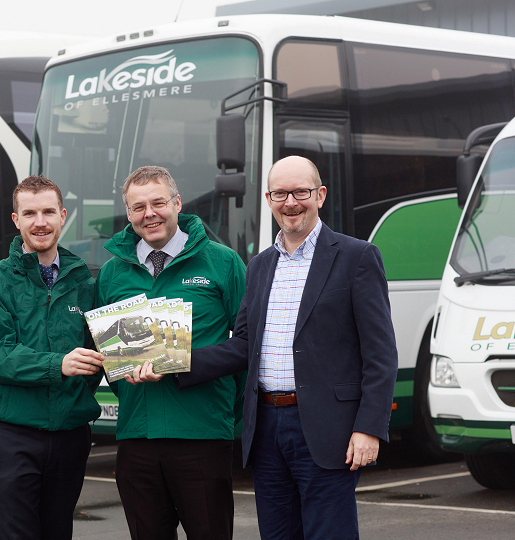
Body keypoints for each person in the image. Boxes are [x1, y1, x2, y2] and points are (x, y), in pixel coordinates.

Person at [176, 155, 398, 539]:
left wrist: (369, 427)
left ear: (320, 195)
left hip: (330, 429)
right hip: (266, 427)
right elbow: (244, 344)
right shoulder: (260, 265)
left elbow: (380, 354)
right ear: (268, 198)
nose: (291, 202)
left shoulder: (357, 257)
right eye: (281, 193)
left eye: (301, 192)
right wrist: (175, 363)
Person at [95, 165, 247, 540]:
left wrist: (218, 403)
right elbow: (108, 352)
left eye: (159, 203)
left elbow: (247, 347)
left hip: (202, 434)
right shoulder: (111, 274)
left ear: (177, 203)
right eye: (138, 207)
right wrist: (129, 377)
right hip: (137, 437)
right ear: (128, 214)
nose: (150, 214)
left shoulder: (223, 263)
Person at [0, 175, 104, 540]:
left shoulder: (88, 282)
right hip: (10, 437)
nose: (40, 222)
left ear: (63, 216)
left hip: (69, 436)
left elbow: (101, 354)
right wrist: (57, 365)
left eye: (48, 212)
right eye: (29, 213)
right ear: (16, 220)